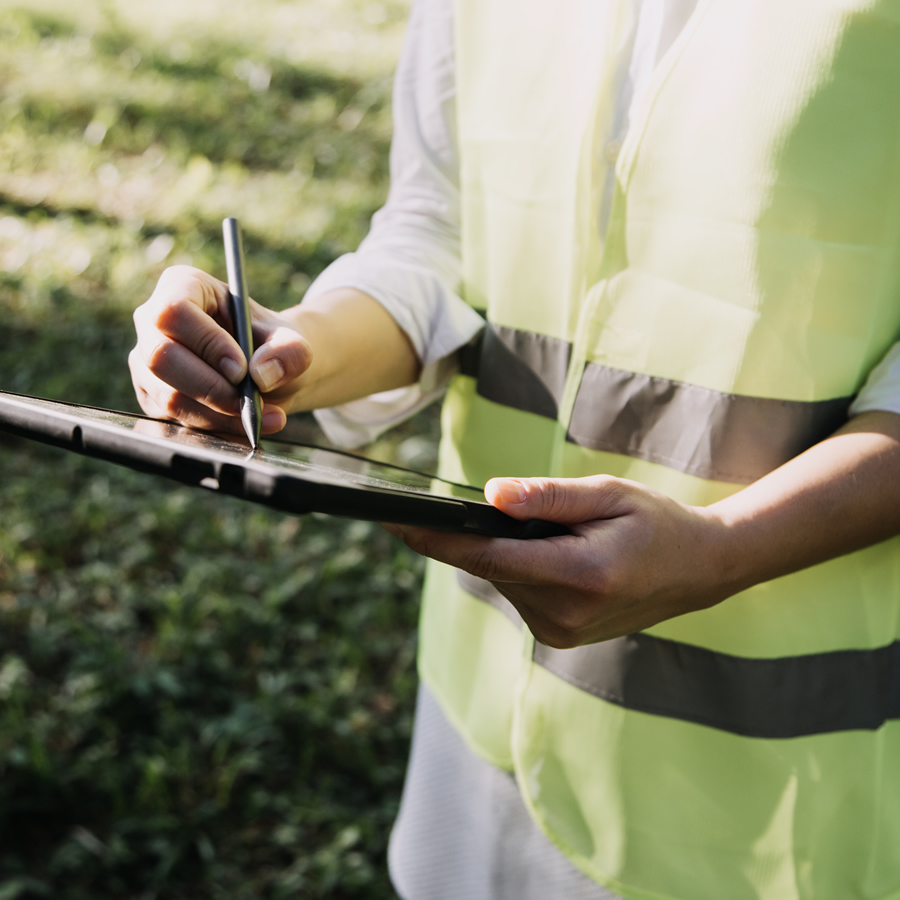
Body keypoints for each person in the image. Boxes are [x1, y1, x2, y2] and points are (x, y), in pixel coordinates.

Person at [129, 0, 900, 896]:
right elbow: (439, 234)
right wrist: (286, 351)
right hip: (480, 722)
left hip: (772, 798)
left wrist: (728, 547)